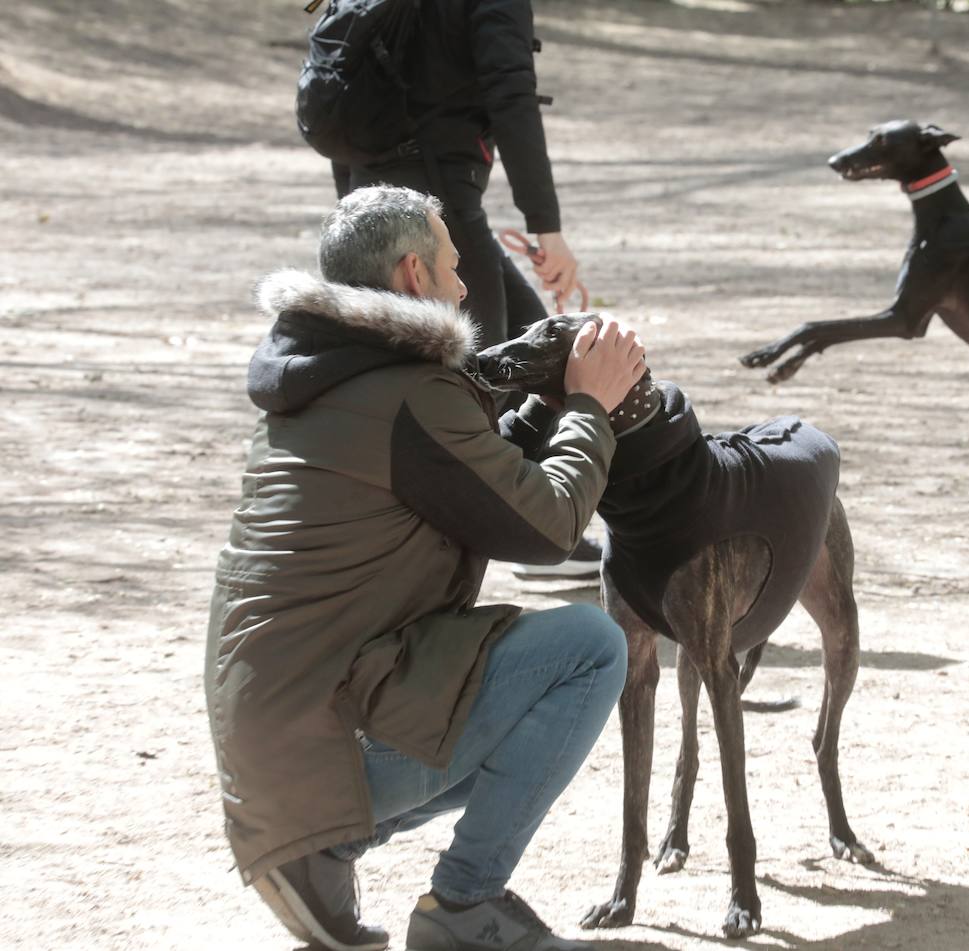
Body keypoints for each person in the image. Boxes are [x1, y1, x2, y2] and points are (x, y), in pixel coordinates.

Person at [204, 184, 645, 951]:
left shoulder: (330, 378)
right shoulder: (405, 392)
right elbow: (547, 527)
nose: (466, 284)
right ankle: (464, 909)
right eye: (452, 263)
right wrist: (591, 408)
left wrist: (547, 406)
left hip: (278, 744)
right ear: (414, 275)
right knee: (588, 651)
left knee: (524, 706)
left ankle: (322, 848)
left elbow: (466, 471)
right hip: (317, 736)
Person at [341, 0, 599, 580]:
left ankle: (529, 532)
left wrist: (353, 206)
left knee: (526, 344)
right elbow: (511, 93)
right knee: (489, 368)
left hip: (375, 196)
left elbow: (340, 79)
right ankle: (480, 533)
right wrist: (546, 229)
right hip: (435, 198)